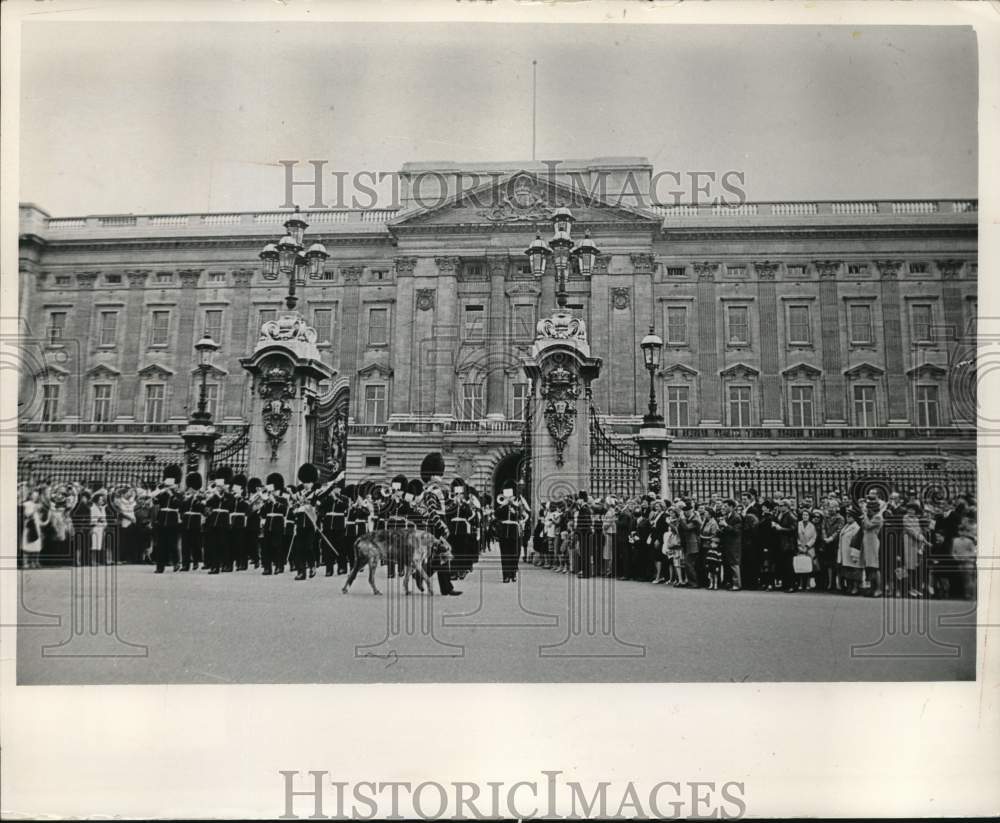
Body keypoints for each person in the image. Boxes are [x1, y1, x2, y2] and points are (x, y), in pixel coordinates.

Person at [495, 483, 523, 583]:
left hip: (514, 531)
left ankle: (513, 573)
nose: (508, 498)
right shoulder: (501, 506)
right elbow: (496, 515)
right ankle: (506, 576)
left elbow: (521, 516)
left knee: (514, 554)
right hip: (504, 532)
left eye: (510, 496)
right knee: (505, 554)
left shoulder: (517, 505)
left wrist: (514, 511)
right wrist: (503, 505)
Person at [861, 493, 886, 597]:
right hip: (867, 542)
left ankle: (878, 589)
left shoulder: (878, 518)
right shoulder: (870, 516)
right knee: (869, 567)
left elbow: (867, 525)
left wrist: (865, 514)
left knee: (875, 567)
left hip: (873, 542)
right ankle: (871, 587)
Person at [179, 472, 205, 571]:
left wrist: (196, 499)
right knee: (185, 544)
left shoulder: (201, 495)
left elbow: (203, 509)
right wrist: (188, 498)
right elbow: (181, 507)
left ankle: (195, 561)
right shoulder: (185, 495)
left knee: (196, 543)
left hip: (196, 521)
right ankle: (185, 564)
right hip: (186, 521)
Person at [718, 498, 744, 591]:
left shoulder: (736, 517)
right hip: (727, 544)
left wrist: (725, 525)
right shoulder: (726, 517)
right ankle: (730, 583)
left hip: (734, 544)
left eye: (725, 506)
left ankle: (737, 584)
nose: (723, 508)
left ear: (732, 507)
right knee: (729, 564)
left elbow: (737, 531)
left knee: (734, 564)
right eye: (723, 506)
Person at [795, 508, 817, 591]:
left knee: (808, 566)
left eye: (807, 515)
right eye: (803, 515)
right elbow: (796, 536)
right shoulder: (798, 524)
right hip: (799, 547)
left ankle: (807, 583)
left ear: (809, 516)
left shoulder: (812, 526)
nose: (805, 516)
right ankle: (800, 583)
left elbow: (814, 538)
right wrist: (799, 545)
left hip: (809, 548)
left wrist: (807, 546)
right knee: (800, 565)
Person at [90, 489, 109, 565]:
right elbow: (93, 519)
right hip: (95, 527)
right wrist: (99, 520)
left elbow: (104, 518)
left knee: (99, 545)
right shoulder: (93, 508)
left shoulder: (102, 508)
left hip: (101, 528)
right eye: (100, 500)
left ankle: (97, 560)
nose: (101, 501)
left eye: (102, 500)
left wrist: (104, 523)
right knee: (94, 544)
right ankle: (92, 561)